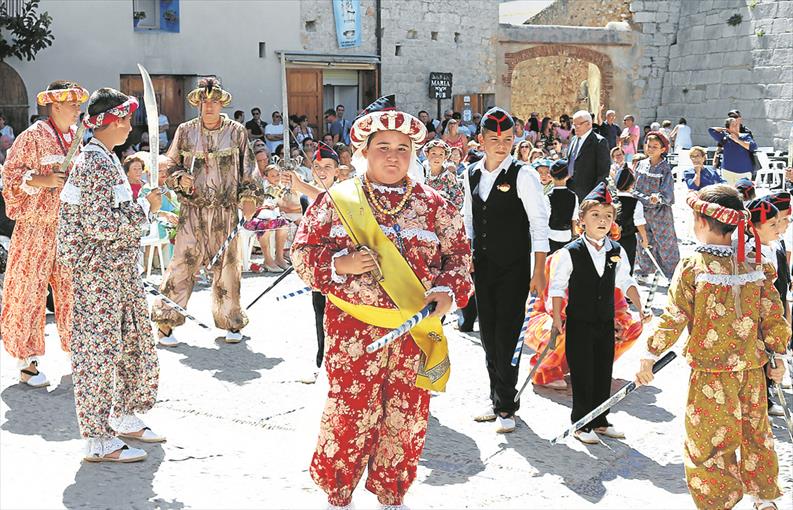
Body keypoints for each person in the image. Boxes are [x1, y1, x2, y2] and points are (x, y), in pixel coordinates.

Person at [291, 95, 472, 508]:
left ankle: (392, 494)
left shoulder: (435, 206)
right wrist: (342, 263)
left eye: (403, 149)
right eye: (383, 148)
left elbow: (459, 258)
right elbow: (302, 255)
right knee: (349, 414)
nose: (393, 157)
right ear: (364, 153)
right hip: (354, 333)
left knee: (406, 417)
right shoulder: (336, 202)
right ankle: (338, 494)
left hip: (414, 334)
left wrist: (447, 290)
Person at [636, 184, 789, 510]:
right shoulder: (755, 263)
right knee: (755, 436)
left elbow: (673, 318)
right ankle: (764, 501)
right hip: (751, 372)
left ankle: (719, 504)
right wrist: (778, 354)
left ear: (702, 222)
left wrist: (649, 356)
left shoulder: (693, 266)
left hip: (710, 375)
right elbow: (773, 314)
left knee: (707, 445)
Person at [57, 87, 165, 462]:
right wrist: (144, 208)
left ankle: (123, 414)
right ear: (112, 121)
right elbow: (101, 225)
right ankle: (98, 437)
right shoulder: (94, 163)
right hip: (98, 272)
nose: (129, 127)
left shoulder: (106, 159)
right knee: (99, 352)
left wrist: (140, 208)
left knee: (132, 341)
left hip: (117, 269)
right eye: (125, 120)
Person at [151, 78, 262, 346]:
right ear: (198, 104)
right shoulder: (185, 131)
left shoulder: (236, 132)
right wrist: (179, 177)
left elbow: (249, 167)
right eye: (204, 101)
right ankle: (166, 323)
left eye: (214, 101)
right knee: (181, 265)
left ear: (221, 103)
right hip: (192, 210)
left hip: (225, 211)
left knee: (228, 268)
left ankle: (231, 322)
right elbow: (169, 162)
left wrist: (249, 198)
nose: (209, 106)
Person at [463, 107, 550, 434]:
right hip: (483, 267)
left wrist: (538, 269)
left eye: (508, 139)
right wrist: (468, 251)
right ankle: (495, 396)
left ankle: (506, 405)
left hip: (514, 268)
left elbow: (538, 224)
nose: (502, 145)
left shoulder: (523, 174)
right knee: (488, 334)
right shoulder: (471, 173)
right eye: (494, 139)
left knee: (508, 336)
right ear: (481, 140)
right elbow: (469, 217)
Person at [1, 80, 87, 387]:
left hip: (67, 229)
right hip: (35, 228)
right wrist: (40, 179)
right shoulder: (31, 137)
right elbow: (8, 177)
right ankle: (27, 360)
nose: (78, 109)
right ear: (57, 105)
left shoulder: (76, 138)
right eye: (74, 104)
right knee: (28, 292)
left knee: (73, 293)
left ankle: (79, 352)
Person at [550, 182, 647, 444]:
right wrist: (557, 318)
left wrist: (640, 306)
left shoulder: (616, 251)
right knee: (582, 373)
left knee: (602, 371)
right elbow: (557, 287)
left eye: (608, 216)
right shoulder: (570, 252)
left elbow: (626, 281)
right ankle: (581, 424)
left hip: (605, 322)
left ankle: (601, 420)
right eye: (595, 215)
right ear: (582, 220)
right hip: (579, 322)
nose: (602, 221)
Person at [745, 197, 788, 419]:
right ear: (754, 228)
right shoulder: (748, 254)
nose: (779, 227)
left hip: (772, 316)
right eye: (772, 224)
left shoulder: (774, 247)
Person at [633, 131, 679, 280]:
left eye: (655, 146)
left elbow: (668, 193)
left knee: (666, 243)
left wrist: (658, 198)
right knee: (644, 240)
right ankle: (644, 270)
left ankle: (673, 274)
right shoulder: (640, 164)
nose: (651, 148)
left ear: (662, 150)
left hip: (660, 214)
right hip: (642, 211)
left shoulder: (664, 168)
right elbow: (634, 186)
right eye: (649, 145)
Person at [566, 110, 610, 202]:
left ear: (589, 124)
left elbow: (603, 173)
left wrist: (595, 196)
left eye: (579, 124)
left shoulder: (599, 142)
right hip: (570, 191)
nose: (575, 128)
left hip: (588, 194)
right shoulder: (573, 140)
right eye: (574, 124)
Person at [614, 165, 649, 273]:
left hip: (610, 239)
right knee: (626, 267)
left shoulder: (610, 201)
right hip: (628, 240)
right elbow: (639, 223)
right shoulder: (636, 203)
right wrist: (644, 239)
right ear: (632, 185)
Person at [709, 117, 757, 185]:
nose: (736, 126)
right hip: (727, 171)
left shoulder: (746, 136)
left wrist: (737, 140)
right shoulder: (724, 137)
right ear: (728, 128)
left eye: (737, 124)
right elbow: (711, 130)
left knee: (745, 193)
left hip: (744, 172)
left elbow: (753, 146)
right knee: (729, 193)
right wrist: (725, 129)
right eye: (733, 125)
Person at [422, 139, 463, 209]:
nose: (437, 157)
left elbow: (458, 200)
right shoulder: (423, 173)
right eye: (433, 153)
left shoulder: (449, 177)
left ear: (445, 157)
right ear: (427, 155)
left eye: (441, 154)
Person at [546, 160, 577, 254]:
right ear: (568, 176)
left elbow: (546, 218)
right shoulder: (573, 196)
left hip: (551, 235)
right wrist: (574, 235)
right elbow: (574, 218)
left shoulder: (548, 196)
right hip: (567, 235)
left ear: (550, 176)